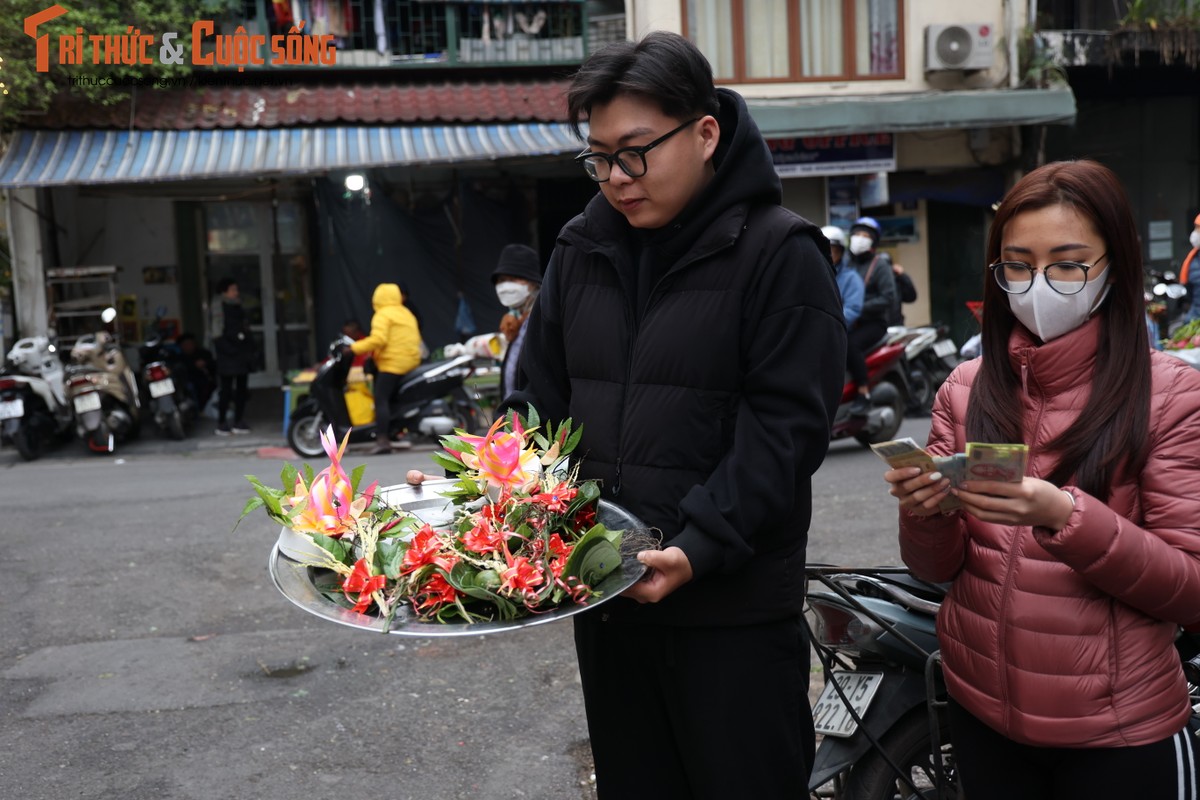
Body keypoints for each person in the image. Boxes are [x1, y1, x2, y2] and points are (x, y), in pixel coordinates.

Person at [505, 31, 846, 799]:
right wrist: (497, 488)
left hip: (732, 619)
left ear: (704, 132)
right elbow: (539, 400)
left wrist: (699, 545)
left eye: (635, 152)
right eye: (597, 157)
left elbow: (785, 434)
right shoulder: (580, 247)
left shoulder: (780, 254)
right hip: (608, 606)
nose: (616, 179)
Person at [884, 159, 1200, 799]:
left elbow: (1191, 591)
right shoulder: (966, 389)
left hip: (1118, 732)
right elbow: (937, 569)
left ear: (1117, 263)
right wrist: (926, 511)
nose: (1039, 286)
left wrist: (1066, 517)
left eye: (1067, 263)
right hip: (982, 713)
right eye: (1018, 265)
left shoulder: (1170, 396)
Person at [350, 283, 422, 454]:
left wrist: (353, 348)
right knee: (392, 398)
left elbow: (378, 339)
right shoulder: (406, 313)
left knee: (381, 399)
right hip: (411, 361)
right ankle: (394, 432)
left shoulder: (382, 314)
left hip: (393, 363)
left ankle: (382, 439)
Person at [844, 216, 898, 415]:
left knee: (850, 345)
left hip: (873, 323)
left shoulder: (880, 265)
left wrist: (858, 307)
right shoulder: (845, 263)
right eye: (857, 234)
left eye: (865, 235)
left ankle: (863, 391)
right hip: (848, 320)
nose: (860, 238)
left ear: (873, 241)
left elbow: (888, 297)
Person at [490, 243, 543, 398]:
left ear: (533, 284)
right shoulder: (513, 324)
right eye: (502, 280)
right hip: (512, 416)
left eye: (514, 279)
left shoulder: (542, 321)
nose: (506, 286)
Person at [211, 278, 255, 435]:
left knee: (242, 390)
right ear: (224, 292)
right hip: (227, 354)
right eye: (233, 290)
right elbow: (217, 334)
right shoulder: (218, 307)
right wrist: (230, 349)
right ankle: (222, 423)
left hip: (241, 354)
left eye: (236, 289)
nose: (236, 293)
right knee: (227, 390)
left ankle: (239, 421)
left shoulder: (238, 306)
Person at [822, 225, 865, 331]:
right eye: (822, 249)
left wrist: (825, 327)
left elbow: (852, 310)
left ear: (841, 252)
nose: (828, 254)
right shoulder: (807, 273)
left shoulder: (851, 278)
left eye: (832, 250)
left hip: (834, 334)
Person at [175, 332, 215, 412]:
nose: (188, 346)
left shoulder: (204, 353)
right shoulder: (179, 358)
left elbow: (213, 365)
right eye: (185, 344)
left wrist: (205, 364)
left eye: (190, 343)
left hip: (204, 380)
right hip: (186, 382)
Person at [1179, 212, 1200, 323]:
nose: (1195, 233)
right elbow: (1189, 292)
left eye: (1198, 229)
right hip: (1195, 317)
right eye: (1196, 228)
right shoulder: (1193, 258)